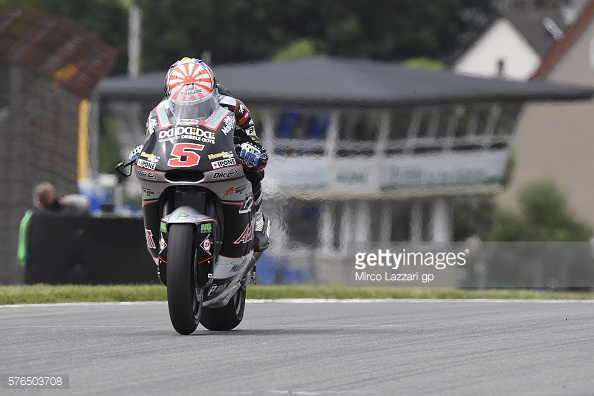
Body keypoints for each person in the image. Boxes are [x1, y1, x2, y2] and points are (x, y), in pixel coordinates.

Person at [128, 57, 270, 252]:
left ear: (212, 92)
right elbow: (152, 141)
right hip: (177, 160)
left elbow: (254, 141)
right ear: (170, 95)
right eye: (183, 103)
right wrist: (141, 152)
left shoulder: (235, 107)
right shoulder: (158, 112)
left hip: (220, 155)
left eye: (200, 103)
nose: (192, 108)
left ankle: (258, 220)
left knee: (254, 170)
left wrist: (250, 149)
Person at [17, 182, 89, 266]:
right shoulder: (41, 213)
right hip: (54, 253)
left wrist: (67, 200)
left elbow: (84, 203)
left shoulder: (42, 211)